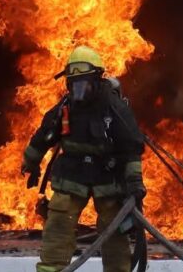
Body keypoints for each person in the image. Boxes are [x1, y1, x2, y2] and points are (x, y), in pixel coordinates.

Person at [22, 45, 146, 272]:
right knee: (58, 225)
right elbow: (43, 137)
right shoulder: (65, 107)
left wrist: (135, 181)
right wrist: (31, 162)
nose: (79, 90)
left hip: (107, 176)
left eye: (84, 84)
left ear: (97, 80)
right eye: (74, 84)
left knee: (114, 229)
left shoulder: (114, 108)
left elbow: (131, 147)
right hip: (72, 174)